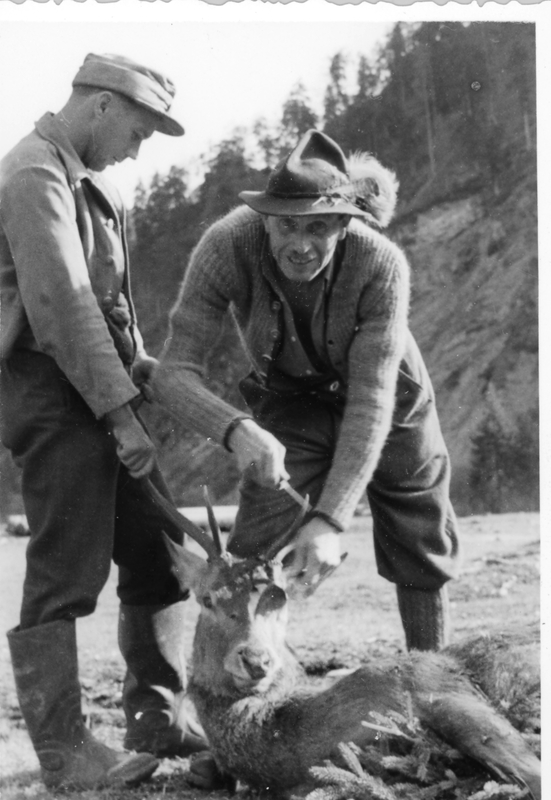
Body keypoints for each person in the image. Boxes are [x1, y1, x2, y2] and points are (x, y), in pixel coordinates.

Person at [154, 129, 461, 655]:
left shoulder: (381, 264)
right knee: (249, 551)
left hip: (390, 397)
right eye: (286, 225)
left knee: (419, 538)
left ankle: (432, 691)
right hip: (291, 397)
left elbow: (370, 402)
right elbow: (173, 371)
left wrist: (329, 518)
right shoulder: (227, 246)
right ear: (265, 219)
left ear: (345, 225)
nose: (300, 243)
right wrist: (237, 430)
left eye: (319, 227)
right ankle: (234, 699)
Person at [0, 53, 207, 791]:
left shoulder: (98, 186)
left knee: (162, 556)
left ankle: (158, 717)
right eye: (137, 130)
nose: (136, 147)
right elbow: (61, 306)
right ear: (99, 107)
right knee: (66, 573)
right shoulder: (34, 175)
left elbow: (115, 310)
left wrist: (143, 377)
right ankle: (64, 755)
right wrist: (122, 419)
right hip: (52, 399)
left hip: (102, 391)